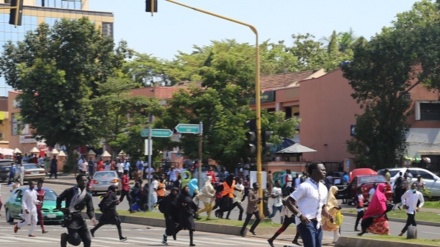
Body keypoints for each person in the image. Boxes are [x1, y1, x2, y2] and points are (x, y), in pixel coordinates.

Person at [285, 163, 333, 247]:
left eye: (325, 170)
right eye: (322, 170)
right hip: (305, 222)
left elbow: (322, 207)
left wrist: (329, 215)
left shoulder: (324, 188)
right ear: (314, 171)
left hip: (317, 223)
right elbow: (289, 201)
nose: (325, 172)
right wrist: (300, 215)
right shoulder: (304, 186)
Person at [57, 174, 97, 247]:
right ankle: (65, 237)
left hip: (80, 218)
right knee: (75, 241)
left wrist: (92, 218)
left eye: (86, 180)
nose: (84, 182)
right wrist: (60, 207)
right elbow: (59, 198)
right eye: (82, 180)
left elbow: (90, 209)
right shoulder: (70, 191)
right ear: (78, 181)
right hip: (70, 218)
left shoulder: (87, 195)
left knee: (87, 240)